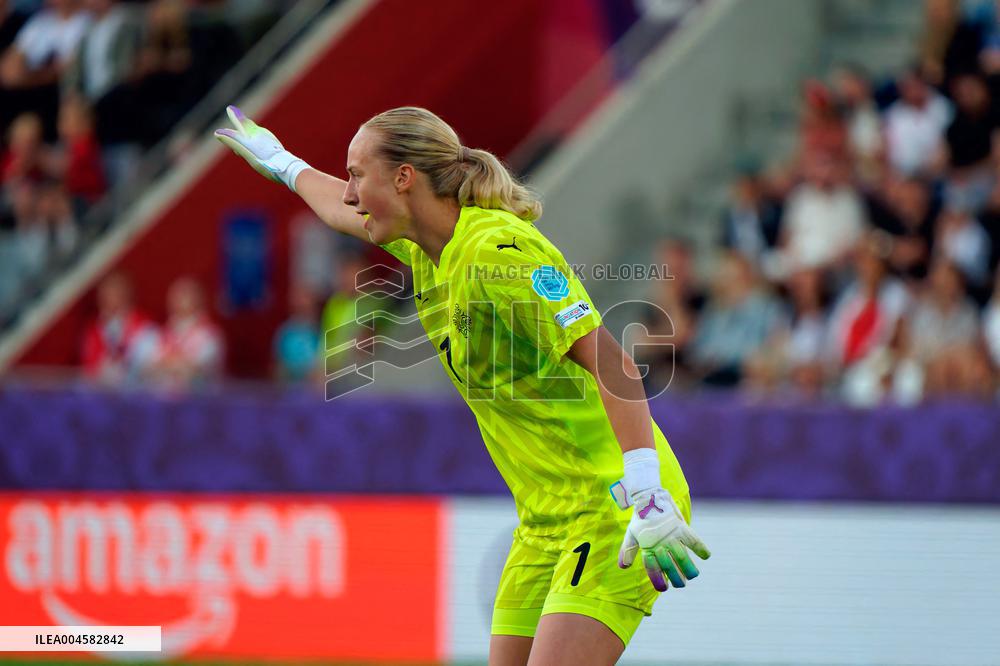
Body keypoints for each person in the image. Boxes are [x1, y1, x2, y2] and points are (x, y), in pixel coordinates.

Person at [215, 105, 710, 665]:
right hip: (545, 518)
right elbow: (336, 208)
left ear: (404, 179)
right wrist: (281, 162)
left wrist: (646, 490)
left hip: (616, 502)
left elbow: (614, 364)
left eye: (358, 174)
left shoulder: (498, 255)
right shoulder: (426, 246)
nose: (351, 194)